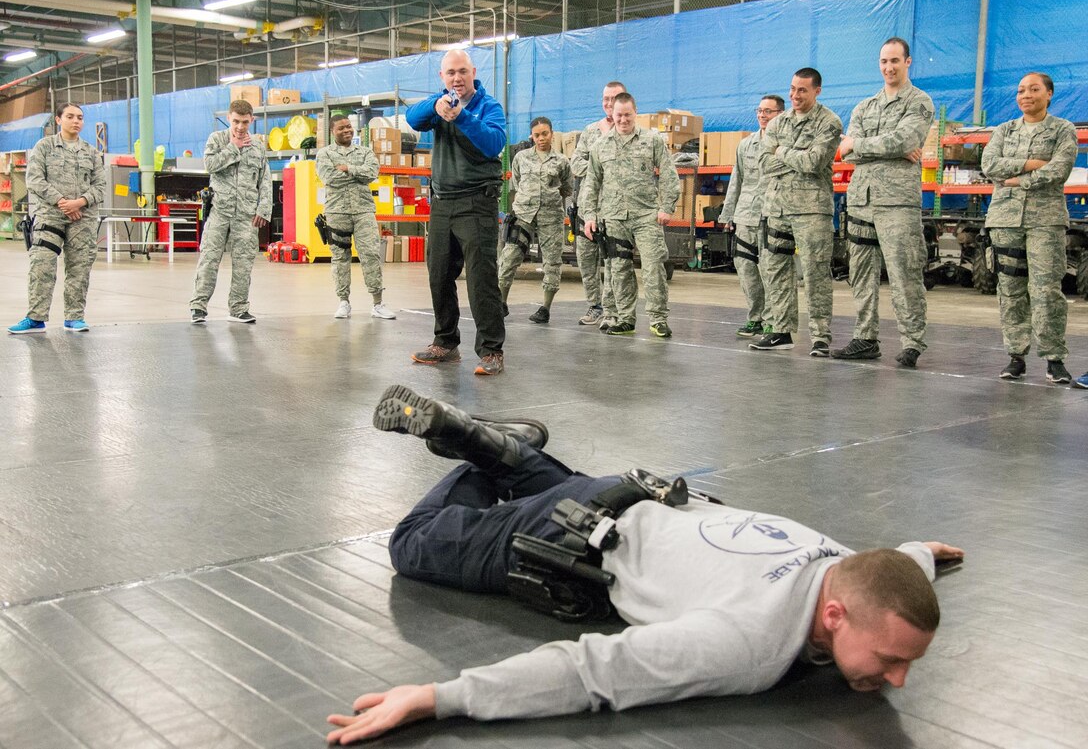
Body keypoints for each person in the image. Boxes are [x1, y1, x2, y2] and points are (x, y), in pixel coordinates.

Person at [324, 385, 965, 745]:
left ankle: (510, 455)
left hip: (632, 490)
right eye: (891, 660)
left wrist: (920, 554)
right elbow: (591, 671)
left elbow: (891, 572)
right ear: (834, 613)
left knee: (552, 482)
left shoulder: (847, 566)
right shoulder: (749, 643)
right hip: (568, 532)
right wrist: (439, 698)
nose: (899, 679)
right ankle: (476, 449)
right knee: (411, 543)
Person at [832, 38, 935, 369]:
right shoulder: (865, 106)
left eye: (895, 61)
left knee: (905, 272)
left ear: (908, 62)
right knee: (861, 273)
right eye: (883, 61)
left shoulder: (919, 102)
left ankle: (912, 341)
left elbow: (905, 139)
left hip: (897, 203)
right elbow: (848, 150)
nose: (888, 67)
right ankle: (865, 337)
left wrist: (859, 144)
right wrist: (885, 147)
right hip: (862, 200)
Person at [406, 49, 507, 376]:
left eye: (462, 71)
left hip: (477, 202)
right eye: (450, 73)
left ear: (473, 72)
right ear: (442, 77)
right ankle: (445, 341)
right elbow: (412, 118)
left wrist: (461, 115)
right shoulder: (440, 104)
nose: (456, 78)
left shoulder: (488, 106)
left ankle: (491, 350)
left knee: (481, 278)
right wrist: (435, 104)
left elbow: (493, 144)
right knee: (438, 273)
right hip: (443, 203)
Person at [981, 72, 1077, 384]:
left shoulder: (1063, 129)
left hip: (1045, 221)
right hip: (1005, 219)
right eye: (1021, 90)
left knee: (1046, 289)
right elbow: (989, 165)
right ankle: (1016, 356)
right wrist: (1033, 163)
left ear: (1049, 94)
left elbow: (1060, 169)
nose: (1026, 95)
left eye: (1034, 89)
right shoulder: (1004, 130)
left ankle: (1054, 359)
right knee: (1009, 291)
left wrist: (1015, 178)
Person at [752, 68, 842, 356]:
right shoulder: (779, 123)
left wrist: (781, 152)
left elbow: (815, 162)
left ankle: (820, 337)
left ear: (817, 90)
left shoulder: (829, 122)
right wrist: (794, 155)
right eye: (792, 89)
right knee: (776, 271)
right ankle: (781, 331)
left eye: (802, 90)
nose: (795, 95)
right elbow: (764, 163)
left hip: (812, 210)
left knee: (815, 273)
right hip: (777, 208)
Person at [582, 93, 681, 338]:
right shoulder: (600, 146)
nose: (623, 119)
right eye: (619, 115)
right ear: (612, 115)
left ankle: (658, 318)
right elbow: (592, 183)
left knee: (653, 267)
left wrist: (667, 207)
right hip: (613, 217)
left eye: (627, 114)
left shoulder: (652, 140)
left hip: (646, 216)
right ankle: (626, 318)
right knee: (618, 269)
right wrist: (590, 215)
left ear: (635, 112)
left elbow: (669, 174)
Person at [8, 102, 106, 335]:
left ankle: (74, 318)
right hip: (50, 216)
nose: (76, 121)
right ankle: (35, 318)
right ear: (58, 119)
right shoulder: (44, 147)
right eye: (70, 116)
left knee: (79, 267)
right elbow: (34, 180)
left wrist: (79, 202)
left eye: (80, 117)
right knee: (42, 264)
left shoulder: (91, 152)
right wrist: (63, 202)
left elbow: (100, 186)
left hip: (82, 218)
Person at [189, 99, 272, 324]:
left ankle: (238, 308)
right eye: (236, 121)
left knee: (244, 263)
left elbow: (265, 180)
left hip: (247, 214)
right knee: (209, 258)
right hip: (219, 211)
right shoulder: (217, 140)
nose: (240, 127)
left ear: (252, 120)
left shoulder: (257, 147)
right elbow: (210, 165)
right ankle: (198, 306)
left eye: (245, 122)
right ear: (229, 118)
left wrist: (264, 209)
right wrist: (233, 147)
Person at [316, 115, 395, 321]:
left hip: (363, 212)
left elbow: (372, 173)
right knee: (340, 258)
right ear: (333, 131)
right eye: (341, 128)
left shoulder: (365, 152)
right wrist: (356, 176)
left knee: (370, 254)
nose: (347, 130)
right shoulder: (324, 154)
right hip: (337, 212)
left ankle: (377, 303)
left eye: (349, 127)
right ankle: (343, 302)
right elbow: (329, 178)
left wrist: (349, 168)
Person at [720, 94, 785, 339]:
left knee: (770, 269)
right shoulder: (746, 144)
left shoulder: (784, 144)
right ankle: (755, 317)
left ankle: (772, 320)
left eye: (768, 111)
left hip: (773, 214)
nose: (762, 115)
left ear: (780, 114)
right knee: (746, 267)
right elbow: (737, 180)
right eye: (759, 110)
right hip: (746, 214)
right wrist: (728, 214)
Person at [497, 117, 573, 323]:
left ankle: (545, 308)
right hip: (523, 215)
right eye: (537, 135)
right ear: (532, 136)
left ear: (552, 134)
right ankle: (501, 303)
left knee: (552, 262)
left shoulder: (562, 161)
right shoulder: (521, 158)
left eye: (545, 134)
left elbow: (567, 188)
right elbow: (518, 181)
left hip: (551, 216)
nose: (541, 138)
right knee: (509, 256)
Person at [569, 81, 626, 328]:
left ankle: (612, 308)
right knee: (586, 259)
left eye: (614, 98)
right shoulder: (590, 131)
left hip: (615, 209)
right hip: (587, 208)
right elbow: (576, 162)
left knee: (614, 261)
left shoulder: (629, 133)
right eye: (605, 98)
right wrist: (598, 171)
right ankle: (595, 305)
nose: (608, 103)